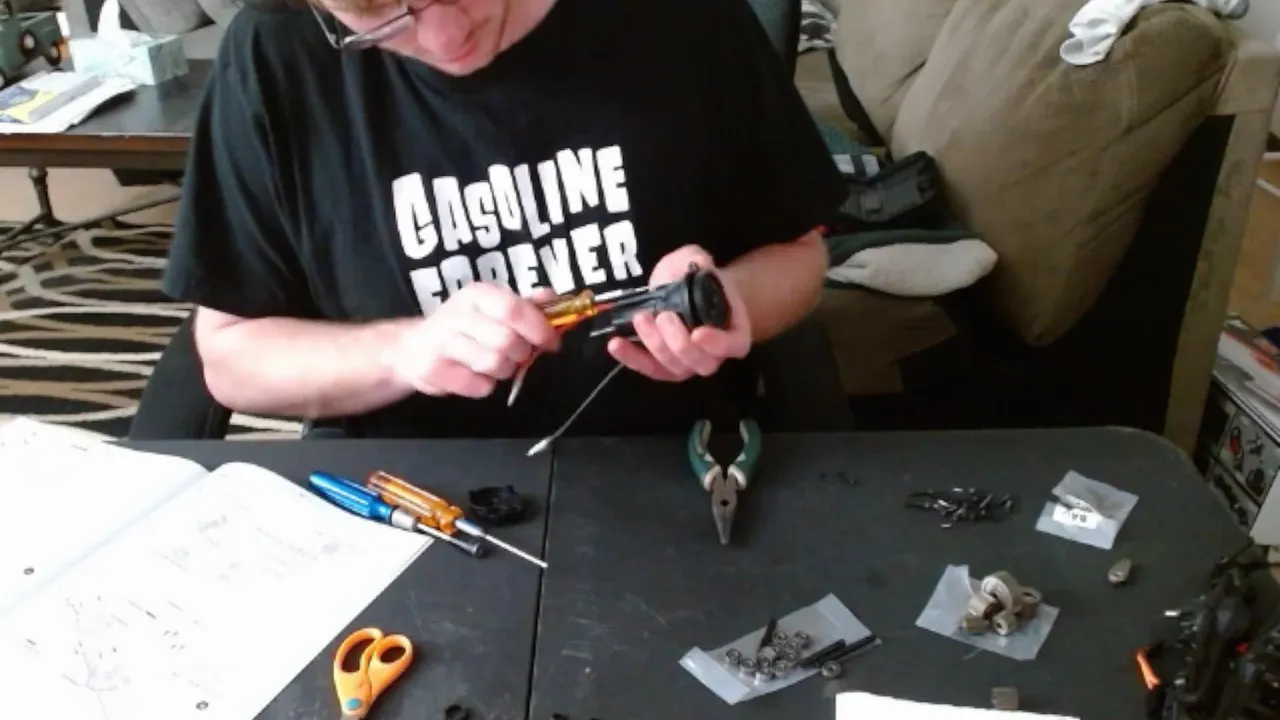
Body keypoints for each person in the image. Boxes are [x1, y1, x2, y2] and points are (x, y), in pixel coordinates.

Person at [160, 0, 847, 439]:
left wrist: (735, 301)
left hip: (673, 467)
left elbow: (800, 255)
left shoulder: (684, 19)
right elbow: (232, 357)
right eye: (374, 14)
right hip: (412, 500)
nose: (445, 37)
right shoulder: (275, 53)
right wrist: (404, 352)